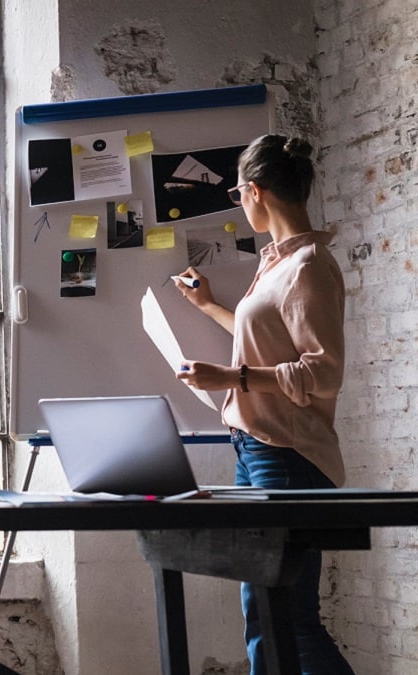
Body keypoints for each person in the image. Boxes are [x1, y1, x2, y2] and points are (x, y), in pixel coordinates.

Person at [174, 134, 354, 674]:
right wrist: (209, 308)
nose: (240, 201)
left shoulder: (308, 265)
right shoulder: (277, 263)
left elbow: (323, 373)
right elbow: (267, 343)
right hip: (258, 451)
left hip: (288, 457)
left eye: (236, 192)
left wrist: (229, 377)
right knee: (266, 615)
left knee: (289, 619)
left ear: (254, 191)